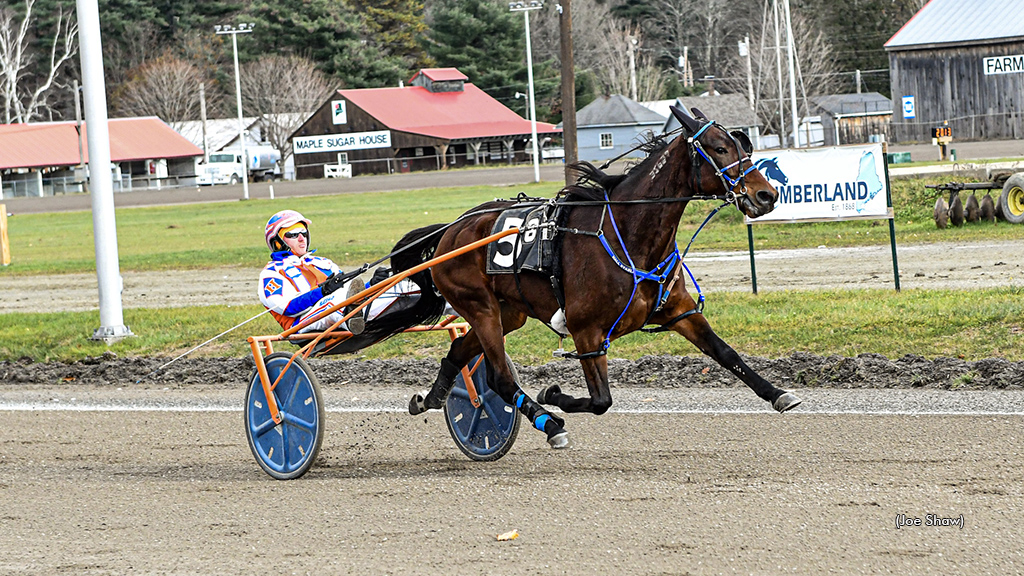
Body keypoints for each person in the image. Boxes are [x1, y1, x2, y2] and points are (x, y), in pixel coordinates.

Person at [259, 209, 367, 335]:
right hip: (300, 325)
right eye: (293, 234)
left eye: (304, 233)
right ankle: (352, 320)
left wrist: (373, 285)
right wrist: (322, 291)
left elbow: (351, 291)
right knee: (335, 301)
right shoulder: (271, 273)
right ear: (277, 243)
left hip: (335, 308)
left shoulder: (323, 262)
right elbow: (287, 308)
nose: (301, 238)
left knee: (385, 290)